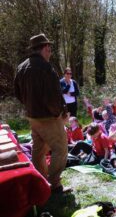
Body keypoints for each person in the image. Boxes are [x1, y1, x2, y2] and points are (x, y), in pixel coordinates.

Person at [14, 33, 69, 193]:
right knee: (60, 148)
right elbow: (53, 96)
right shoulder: (45, 67)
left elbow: (17, 93)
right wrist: (59, 113)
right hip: (48, 117)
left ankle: (41, 182)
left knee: (39, 149)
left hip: (32, 117)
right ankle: (55, 185)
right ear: (45, 48)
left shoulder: (21, 67)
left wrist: (30, 106)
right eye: (49, 48)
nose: (50, 52)